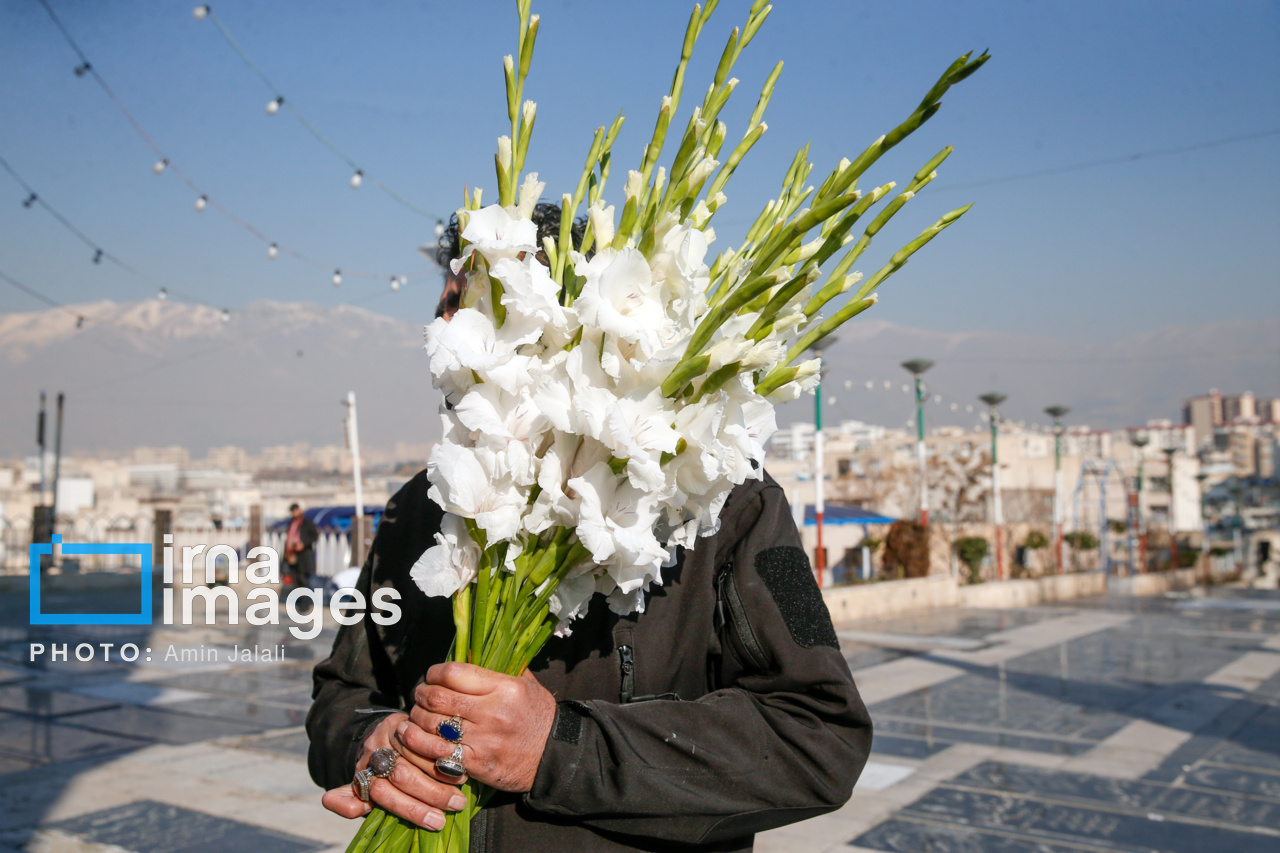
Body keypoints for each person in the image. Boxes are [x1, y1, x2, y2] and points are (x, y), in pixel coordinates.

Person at [306, 206, 872, 852]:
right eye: (444, 308)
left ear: (555, 322)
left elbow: (820, 736)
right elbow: (339, 696)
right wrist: (373, 744)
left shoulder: (724, 503)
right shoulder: (421, 506)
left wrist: (558, 747)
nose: (442, 329)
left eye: (469, 306)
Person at [284, 503, 319, 590]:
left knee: (303, 578)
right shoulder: (292, 523)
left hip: (304, 554)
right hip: (293, 554)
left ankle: (305, 601)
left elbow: (314, 536)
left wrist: (303, 544)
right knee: (295, 578)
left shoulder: (307, 523)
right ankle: (298, 599)